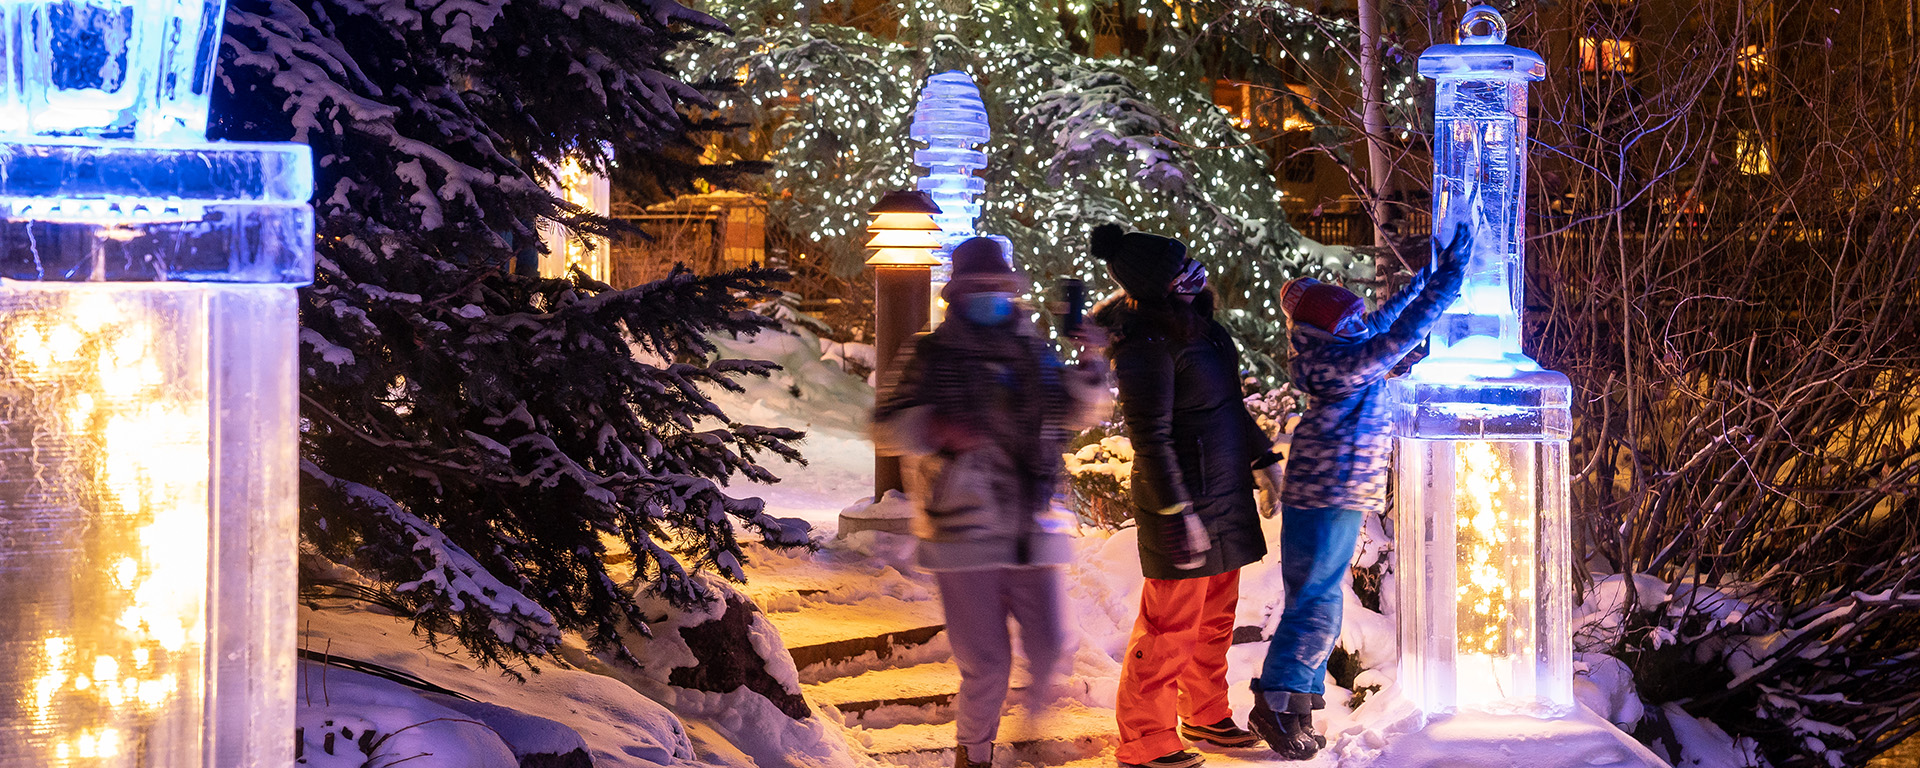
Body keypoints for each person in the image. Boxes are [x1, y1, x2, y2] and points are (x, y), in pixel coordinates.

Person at [872, 236, 1112, 768]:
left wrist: (1092, 357)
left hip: (1034, 522)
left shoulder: (1032, 350)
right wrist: (934, 427)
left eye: (998, 288)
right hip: (964, 529)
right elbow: (884, 424)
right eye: (978, 289)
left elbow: (1078, 409)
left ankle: (1026, 723)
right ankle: (974, 753)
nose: (990, 296)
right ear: (957, 294)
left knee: (1053, 646)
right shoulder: (930, 352)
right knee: (986, 663)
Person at [1246, 224, 1472, 760]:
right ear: (1330, 331)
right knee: (1314, 604)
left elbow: (1384, 319)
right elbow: (1401, 336)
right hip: (1326, 496)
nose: (1360, 323)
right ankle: (1275, 704)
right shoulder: (1338, 365)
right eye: (1350, 319)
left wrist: (1426, 275)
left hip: (1336, 494)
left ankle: (1294, 701)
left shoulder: (1339, 346)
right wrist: (1448, 278)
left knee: (1319, 602)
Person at [1090, 223, 1281, 768]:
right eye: (1180, 273)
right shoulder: (1144, 345)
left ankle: (1205, 714)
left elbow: (1228, 407)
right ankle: (1145, 738)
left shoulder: (1203, 329)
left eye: (1191, 263)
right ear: (1155, 286)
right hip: (1181, 501)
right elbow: (1150, 435)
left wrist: (1264, 460)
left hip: (1224, 492)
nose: (1194, 275)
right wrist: (1178, 513)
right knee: (1169, 625)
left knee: (1215, 618)